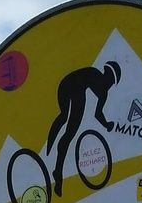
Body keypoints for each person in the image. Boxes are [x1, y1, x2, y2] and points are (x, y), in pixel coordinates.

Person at [45, 60, 120, 195]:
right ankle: (51, 145)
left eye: (111, 83)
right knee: (64, 116)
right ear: (106, 73)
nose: (109, 85)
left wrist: (107, 125)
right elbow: (76, 80)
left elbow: (98, 114)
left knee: (69, 134)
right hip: (68, 85)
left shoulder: (103, 93)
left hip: (79, 92)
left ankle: (58, 171)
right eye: (110, 80)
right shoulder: (93, 74)